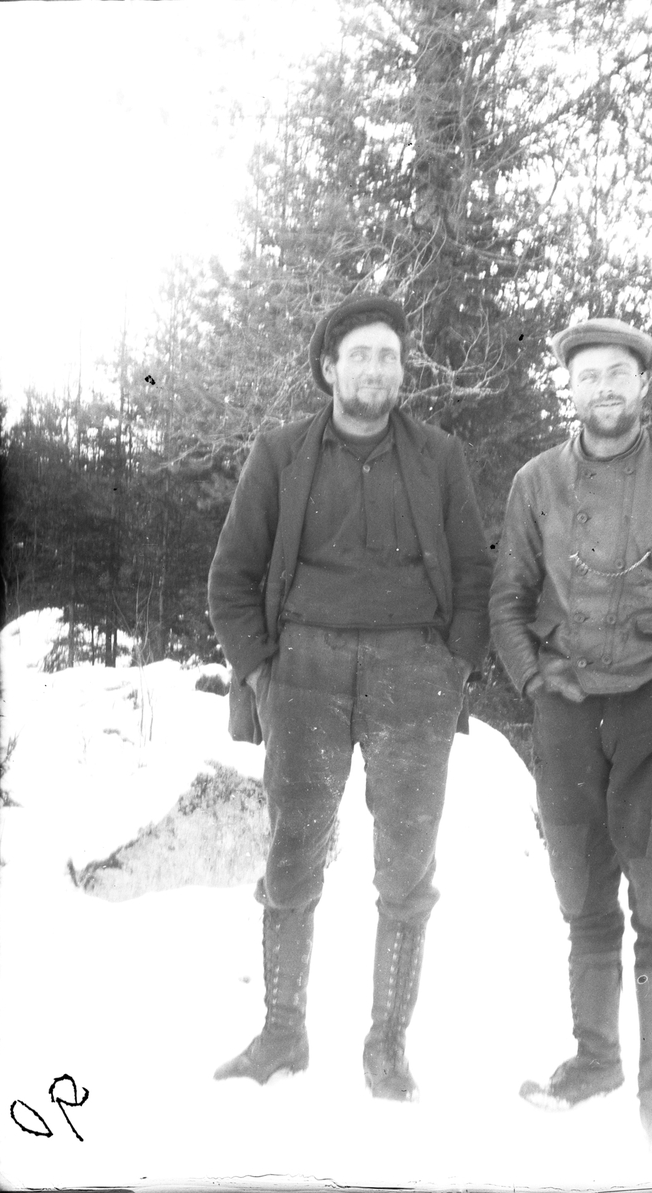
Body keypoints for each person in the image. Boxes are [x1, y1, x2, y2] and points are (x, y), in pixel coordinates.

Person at [208, 294, 492, 1101]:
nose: (376, 369)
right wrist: (263, 676)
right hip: (305, 675)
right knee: (292, 855)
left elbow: (474, 573)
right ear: (329, 368)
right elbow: (231, 578)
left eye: (388, 356)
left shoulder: (437, 456)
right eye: (360, 355)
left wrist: (451, 671)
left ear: (403, 371)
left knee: (406, 867)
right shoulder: (281, 455)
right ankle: (281, 1034)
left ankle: (387, 1045)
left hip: (414, 676)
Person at [490, 317, 652, 1146]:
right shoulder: (536, 483)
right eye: (588, 375)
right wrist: (535, 680)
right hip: (568, 721)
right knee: (582, 900)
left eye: (618, 374)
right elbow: (506, 602)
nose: (603, 388)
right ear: (568, 388)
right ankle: (595, 1059)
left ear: (642, 384)